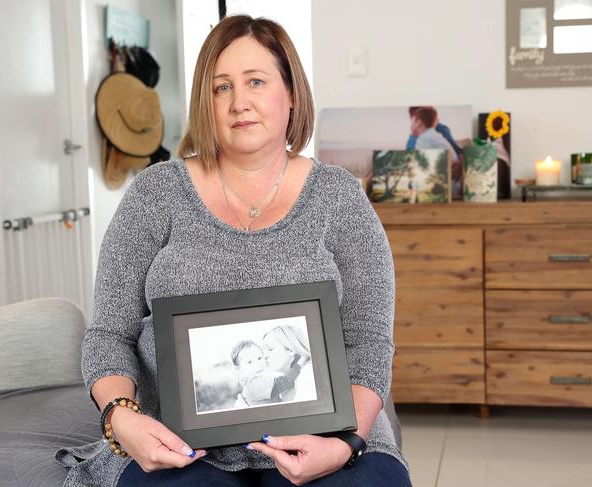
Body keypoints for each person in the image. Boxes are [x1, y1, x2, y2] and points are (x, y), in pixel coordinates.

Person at [58, 14, 411, 487]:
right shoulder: (154, 193)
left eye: (256, 81)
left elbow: (368, 341)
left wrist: (345, 441)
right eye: (221, 87)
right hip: (176, 444)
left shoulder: (339, 198)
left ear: (290, 93)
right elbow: (108, 335)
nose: (239, 102)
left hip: (324, 436)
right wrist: (122, 420)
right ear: (206, 102)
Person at [231, 339, 300, 407]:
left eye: (259, 358)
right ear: (238, 369)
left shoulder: (259, 378)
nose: (258, 364)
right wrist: (296, 367)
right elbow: (282, 384)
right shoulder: (253, 384)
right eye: (250, 362)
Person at [262, 325, 315, 402]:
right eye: (263, 351)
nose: (264, 356)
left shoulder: (308, 373)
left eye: (270, 349)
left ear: (291, 350)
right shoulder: (283, 387)